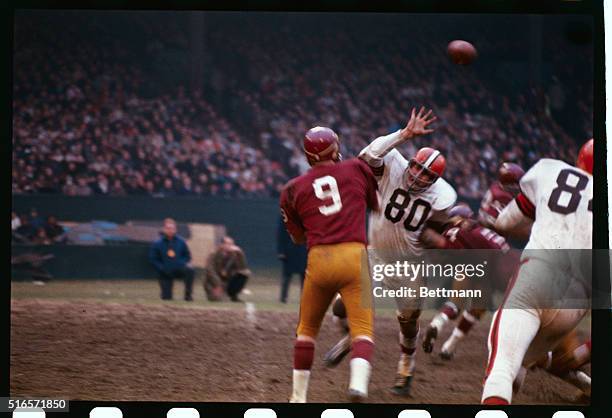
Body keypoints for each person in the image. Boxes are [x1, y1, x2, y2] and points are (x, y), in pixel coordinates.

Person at [324, 107, 455, 397]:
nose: (418, 177)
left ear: (434, 182)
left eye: (426, 175)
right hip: (374, 255)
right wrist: (405, 134)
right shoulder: (393, 165)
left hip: (409, 266)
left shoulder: (443, 198)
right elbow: (367, 155)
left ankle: (406, 365)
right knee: (340, 308)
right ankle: (351, 339)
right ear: (410, 163)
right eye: (417, 168)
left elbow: (437, 231)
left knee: (408, 324)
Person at [481, 138, 593, 405]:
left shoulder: (549, 170)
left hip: (539, 274)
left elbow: (505, 223)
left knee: (501, 366)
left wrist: (546, 220)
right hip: (579, 301)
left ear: (579, 159)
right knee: (522, 360)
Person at [281, 125, 379, 403]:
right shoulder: (357, 168)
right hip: (353, 255)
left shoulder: (291, 189)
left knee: (307, 331)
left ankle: (298, 397)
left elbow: (298, 237)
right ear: (335, 149)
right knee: (362, 330)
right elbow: (374, 205)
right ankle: (358, 385)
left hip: (319, 259)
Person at [419, 204, 518, 360]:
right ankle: (449, 346)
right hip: (499, 265)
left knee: (457, 303)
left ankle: (437, 325)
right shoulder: (481, 229)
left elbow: (442, 243)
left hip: (479, 264)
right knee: (486, 309)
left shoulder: (456, 230)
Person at [149, 218, 195, 301]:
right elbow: (153, 259)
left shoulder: (181, 242)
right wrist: (161, 268)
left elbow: (187, 255)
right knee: (167, 298)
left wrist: (182, 263)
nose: (170, 230)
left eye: (172, 228)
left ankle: (188, 295)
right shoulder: (157, 244)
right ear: (164, 229)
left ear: (175, 230)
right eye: (168, 228)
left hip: (178, 269)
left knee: (190, 270)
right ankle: (165, 293)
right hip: (165, 272)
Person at [202, 236, 251, 302]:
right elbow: (210, 270)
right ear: (222, 245)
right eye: (228, 244)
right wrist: (218, 284)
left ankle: (233, 295)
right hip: (213, 283)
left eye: (232, 244)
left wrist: (240, 253)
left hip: (227, 282)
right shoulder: (214, 254)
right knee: (217, 300)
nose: (231, 246)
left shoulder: (234, 255)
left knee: (245, 272)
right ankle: (221, 295)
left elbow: (242, 267)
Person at [277, 215, 307, 303]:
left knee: (304, 276)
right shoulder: (285, 214)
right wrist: (281, 251)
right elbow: (281, 233)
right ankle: (283, 298)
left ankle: (304, 298)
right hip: (289, 249)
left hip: (303, 249)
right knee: (286, 275)